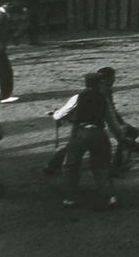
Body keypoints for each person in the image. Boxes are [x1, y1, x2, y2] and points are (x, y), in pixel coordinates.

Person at [54, 72, 122, 209]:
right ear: (99, 84)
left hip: (80, 133)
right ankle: (109, 197)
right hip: (98, 133)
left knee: (71, 166)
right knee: (101, 167)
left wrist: (57, 115)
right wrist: (120, 137)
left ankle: (70, 198)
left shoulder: (77, 97)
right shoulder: (103, 99)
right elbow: (112, 122)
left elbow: (59, 115)